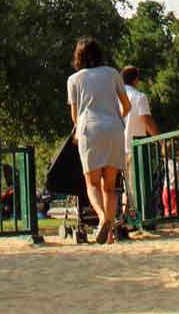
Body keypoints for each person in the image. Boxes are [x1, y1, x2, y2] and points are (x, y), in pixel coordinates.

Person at [67, 37, 131, 245]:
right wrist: (116, 117)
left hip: (90, 128)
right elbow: (126, 105)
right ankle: (110, 232)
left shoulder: (74, 80)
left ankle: (102, 218)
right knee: (110, 186)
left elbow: (75, 115)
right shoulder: (112, 73)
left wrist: (78, 131)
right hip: (113, 127)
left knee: (92, 183)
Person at [120, 65, 159, 227]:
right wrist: (159, 138)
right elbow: (146, 120)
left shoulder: (116, 97)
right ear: (136, 80)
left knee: (125, 187)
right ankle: (139, 220)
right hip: (136, 147)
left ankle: (125, 219)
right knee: (138, 187)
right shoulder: (139, 97)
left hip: (118, 146)